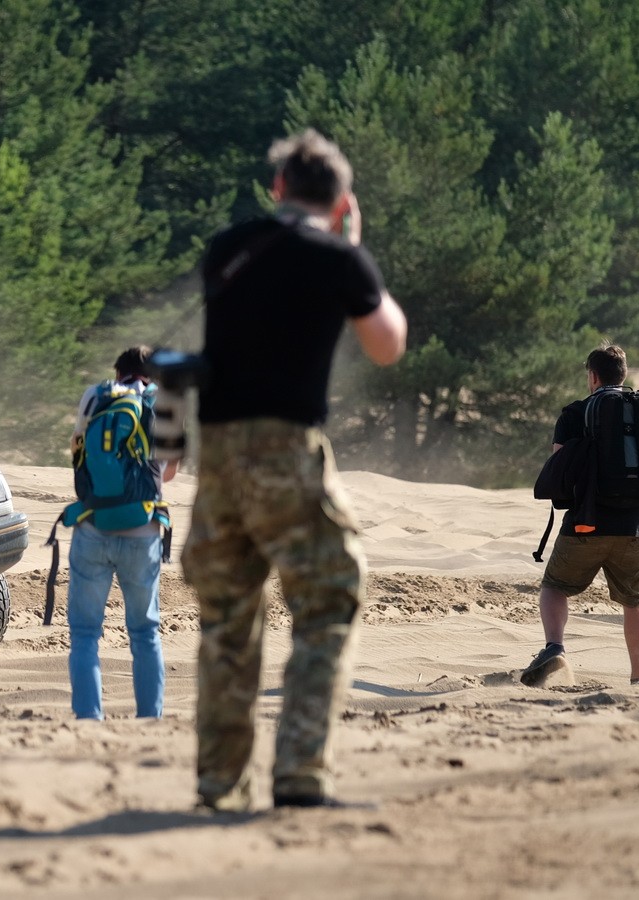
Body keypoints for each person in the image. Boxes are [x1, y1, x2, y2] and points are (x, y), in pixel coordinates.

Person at [184, 129, 407, 811]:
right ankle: (302, 771)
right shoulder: (338, 257)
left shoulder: (229, 247)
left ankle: (220, 784)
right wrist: (353, 246)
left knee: (227, 618)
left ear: (278, 186)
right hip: (285, 447)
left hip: (216, 451)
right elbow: (388, 344)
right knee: (330, 596)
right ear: (341, 200)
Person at [520, 345, 639, 688]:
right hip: (637, 527)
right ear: (623, 374)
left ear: (593, 376)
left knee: (554, 587)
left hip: (586, 522)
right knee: (634, 602)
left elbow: (562, 472)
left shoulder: (574, 414)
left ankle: (555, 647)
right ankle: (638, 677)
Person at [66, 346, 179, 720]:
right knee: (145, 633)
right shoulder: (166, 403)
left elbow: (79, 452)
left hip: (93, 525)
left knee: (85, 634)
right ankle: (149, 720)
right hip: (142, 529)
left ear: (118, 372)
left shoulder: (95, 395)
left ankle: (88, 719)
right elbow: (168, 473)